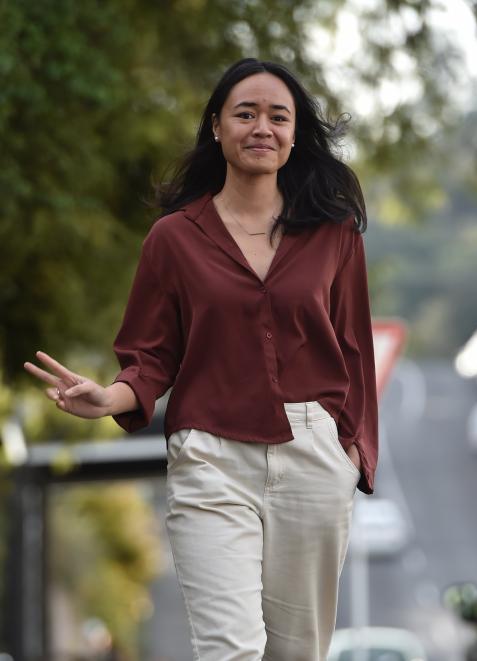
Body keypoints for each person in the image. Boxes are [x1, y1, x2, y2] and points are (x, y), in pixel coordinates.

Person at [24, 57, 378, 661]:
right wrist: (109, 397)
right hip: (211, 458)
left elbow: (354, 351)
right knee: (228, 651)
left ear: (294, 136)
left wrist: (351, 455)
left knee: (299, 654)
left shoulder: (333, 233)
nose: (261, 127)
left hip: (313, 459)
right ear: (217, 126)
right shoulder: (174, 238)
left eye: (278, 117)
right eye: (245, 113)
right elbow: (150, 355)